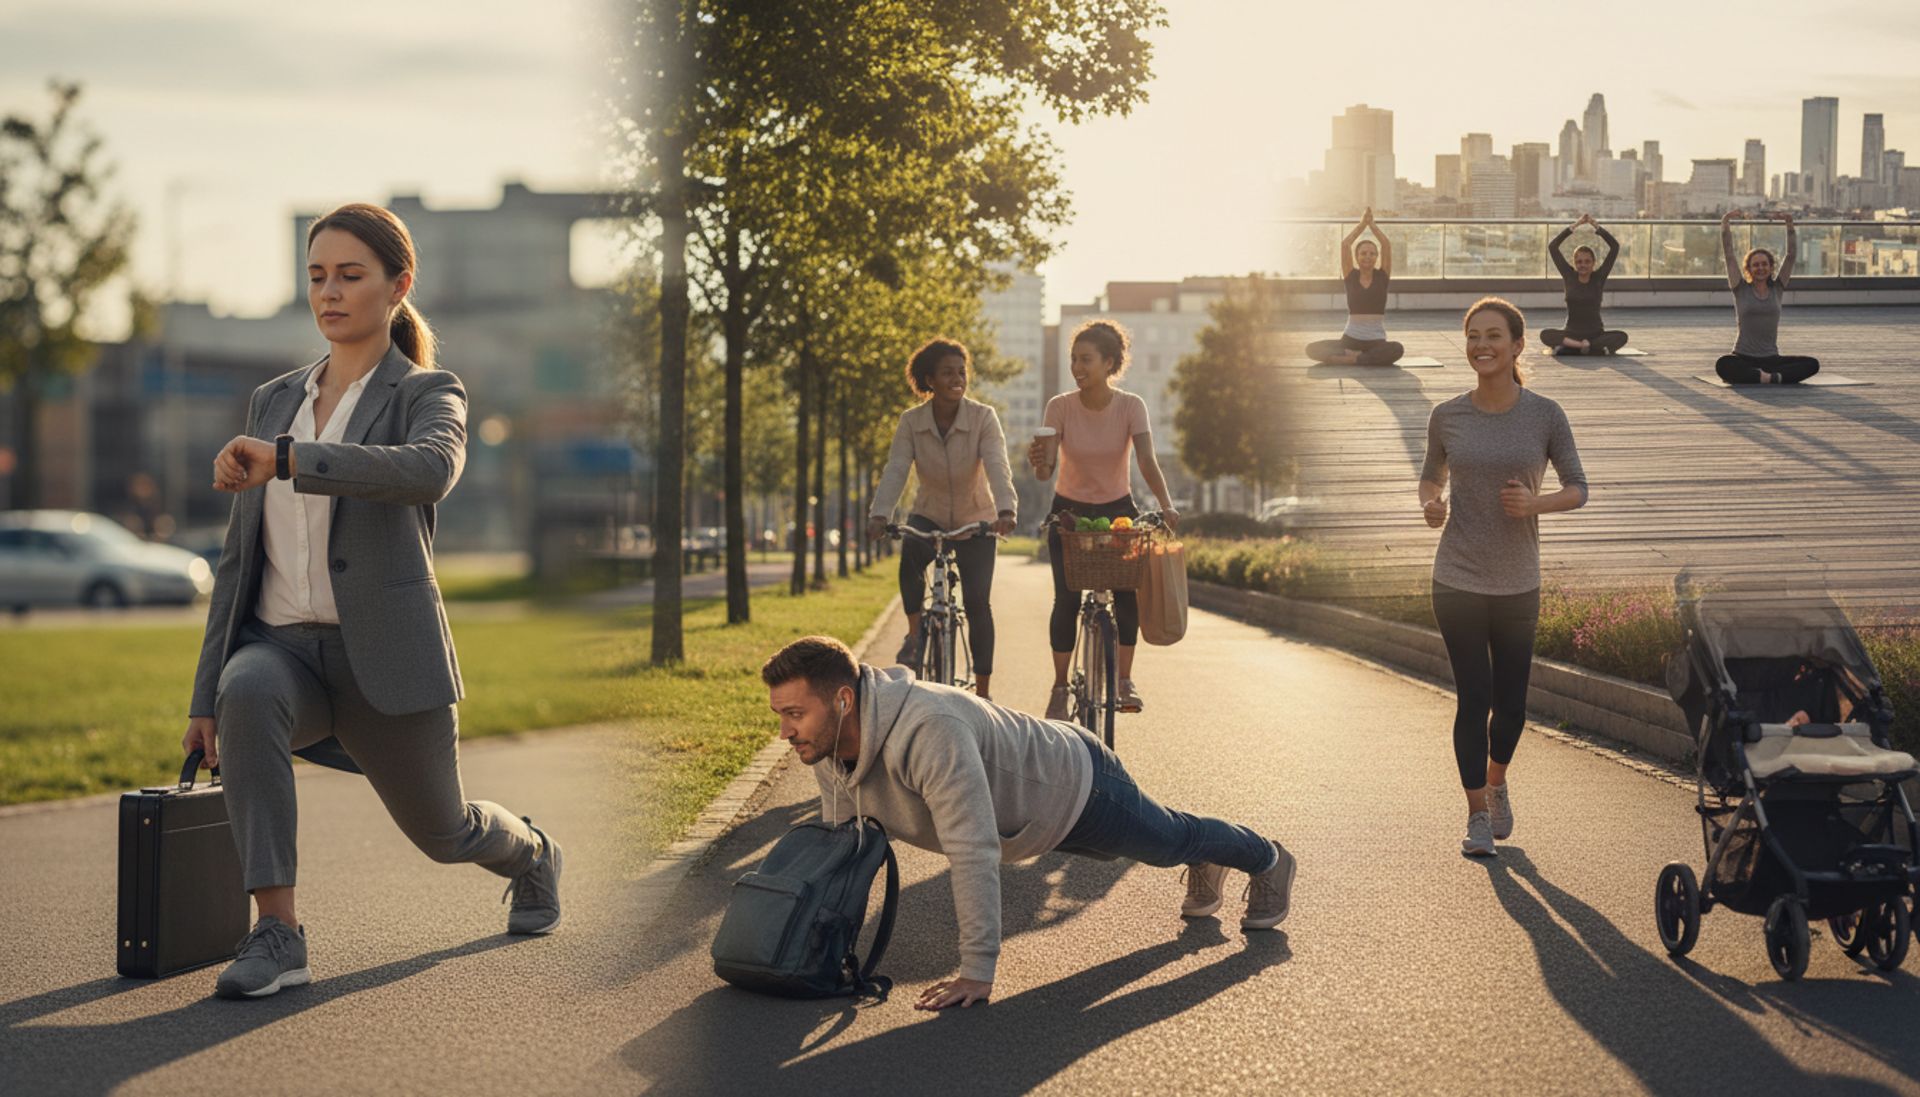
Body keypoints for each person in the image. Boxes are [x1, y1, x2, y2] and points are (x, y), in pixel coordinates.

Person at [183, 203, 561, 1000]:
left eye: (351, 275)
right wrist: (203, 692)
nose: (330, 292)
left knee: (446, 831)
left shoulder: (430, 390)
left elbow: (427, 470)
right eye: (317, 275)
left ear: (398, 285)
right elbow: (236, 557)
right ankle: (278, 932)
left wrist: (288, 458)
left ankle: (531, 852)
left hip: (385, 659)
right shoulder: (273, 397)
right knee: (245, 692)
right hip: (280, 650)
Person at [763, 635, 1298, 1010]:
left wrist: (977, 969)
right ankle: (1204, 855)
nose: (786, 732)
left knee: (1168, 841)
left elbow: (972, 850)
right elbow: (839, 850)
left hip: (1077, 785)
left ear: (843, 698)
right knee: (1151, 846)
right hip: (1027, 818)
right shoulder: (829, 746)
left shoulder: (931, 730)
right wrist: (802, 947)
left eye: (795, 714)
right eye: (780, 715)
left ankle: (1267, 857)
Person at [1418, 297, 1589, 857]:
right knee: (1475, 696)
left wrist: (1535, 506)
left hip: (1519, 579)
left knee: (1511, 703)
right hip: (1457, 575)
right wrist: (1432, 503)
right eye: (1473, 336)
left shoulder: (1545, 414)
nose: (1481, 346)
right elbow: (1430, 477)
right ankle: (1475, 817)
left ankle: (1496, 784)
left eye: (1494, 336)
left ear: (1517, 346)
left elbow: (1578, 488)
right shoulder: (1447, 414)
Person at [1026, 320, 1180, 718]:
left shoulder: (1131, 406)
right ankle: (1060, 687)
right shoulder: (1059, 407)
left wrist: (1166, 505)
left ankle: (1125, 680)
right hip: (1069, 512)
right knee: (1066, 598)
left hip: (1117, 513)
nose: (1077, 367)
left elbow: (1146, 460)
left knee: (1127, 593)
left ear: (1109, 363)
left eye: (1086, 359)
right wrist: (1039, 463)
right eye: (1073, 359)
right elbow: (1046, 473)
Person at [866, 338, 1018, 698]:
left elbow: (997, 465)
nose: (957, 378)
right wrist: (879, 515)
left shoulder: (983, 417)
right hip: (929, 513)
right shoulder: (912, 422)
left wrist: (1006, 509)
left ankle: (983, 694)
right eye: (948, 372)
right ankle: (915, 636)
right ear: (929, 379)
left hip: (975, 518)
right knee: (910, 560)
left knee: (978, 604)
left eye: (962, 372)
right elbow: (897, 468)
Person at [1715, 209, 1818, 385]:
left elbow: (1791, 256)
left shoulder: (1778, 288)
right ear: (1749, 269)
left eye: (1764, 264)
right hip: (1743, 357)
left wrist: (1789, 225)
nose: (1760, 268)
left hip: (1771, 359)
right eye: (1755, 265)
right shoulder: (1740, 289)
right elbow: (1729, 255)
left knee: (1812, 364)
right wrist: (1725, 222)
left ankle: (1765, 377)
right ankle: (1769, 377)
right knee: (1723, 365)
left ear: (1771, 267)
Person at [1305, 208, 1404, 366]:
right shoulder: (1350, 276)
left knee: (1397, 349)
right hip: (1350, 340)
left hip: (1376, 341)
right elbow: (1345, 245)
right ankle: (1362, 358)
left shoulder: (1382, 276)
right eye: (1363, 253)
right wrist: (1361, 224)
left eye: (1372, 254)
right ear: (1357, 257)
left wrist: (1372, 225)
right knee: (1311, 349)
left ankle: (1350, 359)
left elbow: (1386, 245)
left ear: (1377, 257)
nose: (1367, 257)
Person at [1540, 214, 1629, 356]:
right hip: (1571, 333)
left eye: (1587, 261)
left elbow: (1615, 246)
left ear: (1593, 263)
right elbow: (1553, 246)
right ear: (1575, 263)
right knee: (1545, 334)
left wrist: (1595, 225)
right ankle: (1584, 347)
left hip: (1595, 334)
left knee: (1622, 337)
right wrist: (1575, 225)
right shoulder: (1569, 275)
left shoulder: (1599, 277)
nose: (1583, 265)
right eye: (1579, 262)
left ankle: (1573, 347)